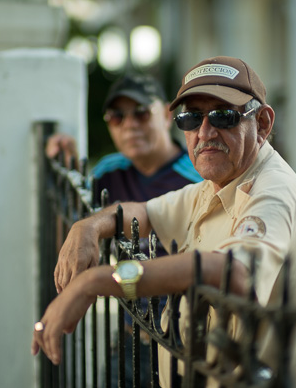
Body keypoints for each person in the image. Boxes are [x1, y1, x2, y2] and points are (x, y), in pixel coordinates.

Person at [33, 56, 296, 387]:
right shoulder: (213, 186)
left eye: (223, 116)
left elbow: (235, 272)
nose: (204, 132)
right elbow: (144, 213)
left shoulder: (274, 191)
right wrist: (88, 226)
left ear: (262, 123)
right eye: (191, 118)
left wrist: (101, 280)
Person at [45, 74, 202, 387]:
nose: (129, 124)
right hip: (130, 334)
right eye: (117, 116)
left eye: (141, 112)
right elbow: (69, 225)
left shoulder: (197, 177)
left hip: (183, 341)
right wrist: (65, 163)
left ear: (167, 115)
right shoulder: (109, 171)